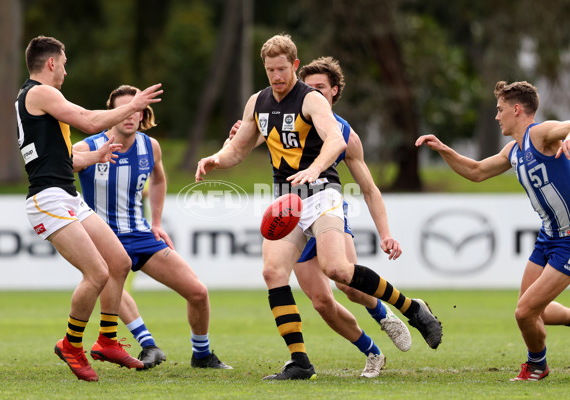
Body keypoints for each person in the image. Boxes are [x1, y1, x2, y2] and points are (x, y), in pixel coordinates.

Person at [196, 34, 442, 380]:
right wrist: (215, 160)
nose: (276, 76)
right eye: (270, 70)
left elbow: (336, 139)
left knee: (339, 271)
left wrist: (313, 168)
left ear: (294, 65)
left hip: (322, 192)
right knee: (273, 273)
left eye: (282, 69)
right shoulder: (258, 102)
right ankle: (300, 362)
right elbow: (237, 150)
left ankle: (411, 308)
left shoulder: (311, 99)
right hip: (285, 198)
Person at [16, 36, 162, 381]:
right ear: (51, 63)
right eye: (63, 63)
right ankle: (71, 344)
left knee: (119, 262)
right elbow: (90, 120)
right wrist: (133, 105)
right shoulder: (40, 92)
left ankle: (108, 340)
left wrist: (92, 156)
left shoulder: (39, 99)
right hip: (48, 200)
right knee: (96, 272)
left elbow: (57, 155)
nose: (65, 71)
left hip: (65, 194)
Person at [416, 80, 570, 381]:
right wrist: (444, 150)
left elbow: (566, 125)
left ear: (516, 109)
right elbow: (475, 172)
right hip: (547, 237)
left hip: (568, 240)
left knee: (524, 312)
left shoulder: (540, 135)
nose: (496, 116)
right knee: (531, 311)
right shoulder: (513, 150)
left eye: (500, 110)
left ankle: (537, 366)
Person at [74, 85, 231, 371]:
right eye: (125, 109)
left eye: (138, 110)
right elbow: (66, 163)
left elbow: (158, 180)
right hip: (102, 239)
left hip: (141, 235)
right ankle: (148, 344)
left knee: (198, 292)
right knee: (107, 282)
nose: (131, 116)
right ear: (112, 113)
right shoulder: (89, 146)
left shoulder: (150, 146)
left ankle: (202, 355)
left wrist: (156, 222)